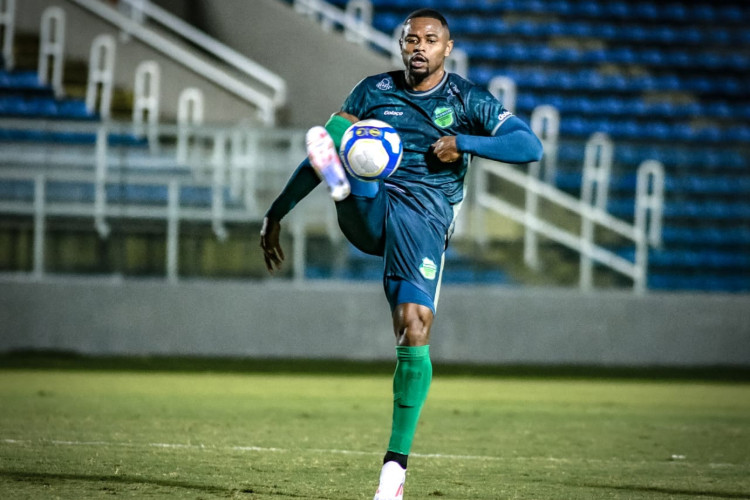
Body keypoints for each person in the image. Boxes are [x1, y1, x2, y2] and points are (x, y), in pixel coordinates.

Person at [260, 8, 542, 499]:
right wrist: (276, 212)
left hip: (426, 216)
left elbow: (528, 145)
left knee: (414, 324)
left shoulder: (467, 99)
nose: (418, 47)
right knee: (348, 145)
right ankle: (348, 182)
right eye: (411, 39)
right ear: (401, 44)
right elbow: (318, 147)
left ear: (446, 49)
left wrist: (464, 142)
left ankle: (394, 471)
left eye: (430, 40)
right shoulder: (373, 91)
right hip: (374, 208)